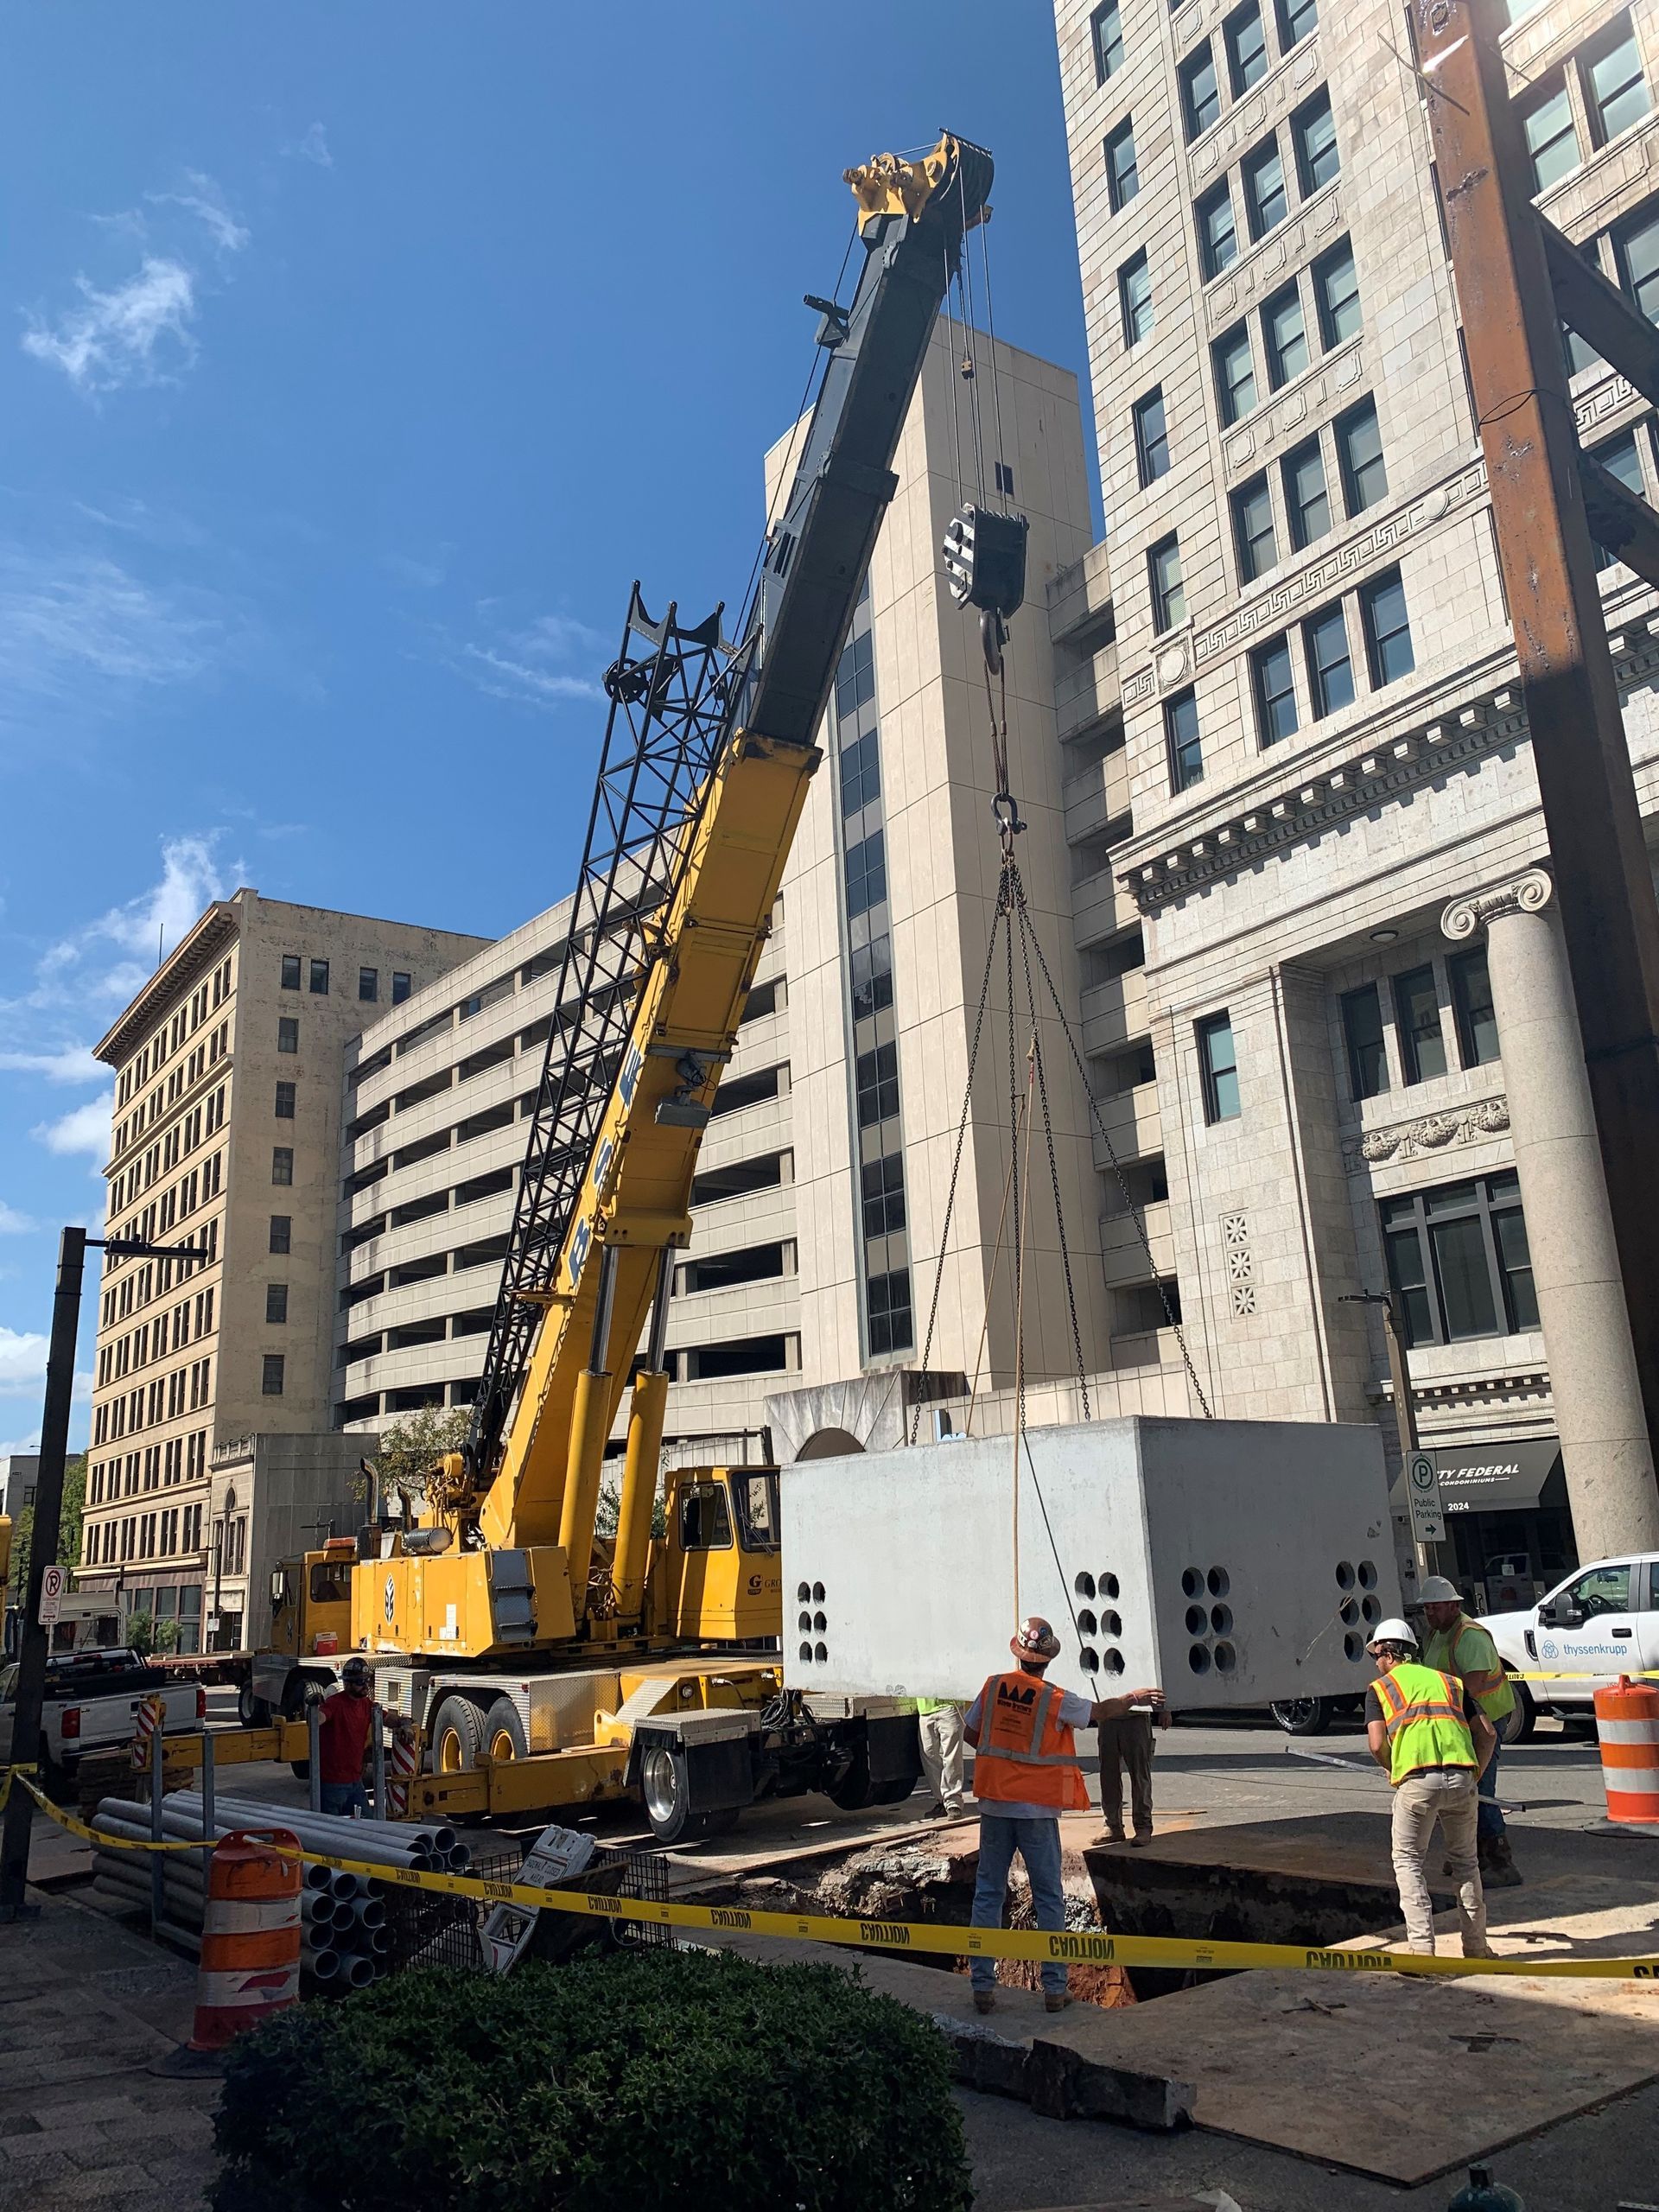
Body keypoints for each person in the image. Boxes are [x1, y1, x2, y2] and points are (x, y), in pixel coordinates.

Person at [963, 1615, 1164, 2014]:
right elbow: (1100, 1711)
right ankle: (1054, 1989)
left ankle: (982, 1988)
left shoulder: (992, 1686)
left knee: (988, 1894)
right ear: (1048, 1658)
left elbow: (972, 1733)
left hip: (995, 1806)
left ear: (1018, 1654)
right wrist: (1133, 1697)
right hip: (1036, 1811)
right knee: (1049, 1897)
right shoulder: (1054, 1699)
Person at [1365, 1618, 1497, 1958]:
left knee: (1408, 1862)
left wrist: (1395, 1769)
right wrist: (1474, 1776)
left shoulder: (1381, 1689)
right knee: (1467, 1863)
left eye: (1375, 1656)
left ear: (1386, 1652)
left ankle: (1423, 1950)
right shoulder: (1450, 1682)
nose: (1376, 1664)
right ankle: (1477, 1949)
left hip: (1418, 1782)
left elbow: (1377, 1744)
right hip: (1463, 1778)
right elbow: (1488, 1733)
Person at [1419, 1573, 1522, 1888]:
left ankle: (1500, 1862)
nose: (1429, 1614)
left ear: (1453, 1606)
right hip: (1459, 1723)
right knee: (1462, 1790)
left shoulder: (1470, 1637)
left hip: (1483, 1722)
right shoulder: (1440, 1633)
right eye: (1427, 1609)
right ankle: (1469, 1855)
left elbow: (1472, 1690)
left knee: (1480, 1790)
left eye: (1435, 1608)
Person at [1093, 1697, 1172, 1847]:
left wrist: (1165, 1709)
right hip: (1107, 1716)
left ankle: (1143, 1826)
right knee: (1108, 1774)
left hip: (1136, 1716)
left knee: (1139, 1774)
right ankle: (1112, 1825)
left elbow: (1158, 1676)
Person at [316, 1656, 377, 1818]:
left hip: (355, 1782)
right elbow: (319, 1718)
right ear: (347, 1684)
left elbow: (385, 1718)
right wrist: (314, 1711)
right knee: (331, 1830)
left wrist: (404, 1723)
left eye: (367, 1681)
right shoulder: (335, 1704)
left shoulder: (366, 1704)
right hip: (332, 1784)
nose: (365, 1686)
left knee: (368, 1825)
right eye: (360, 1682)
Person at [914, 1698, 969, 1818]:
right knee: (929, 1754)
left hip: (949, 1706)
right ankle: (942, 1801)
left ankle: (953, 1803)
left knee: (951, 1757)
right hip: (925, 1710)